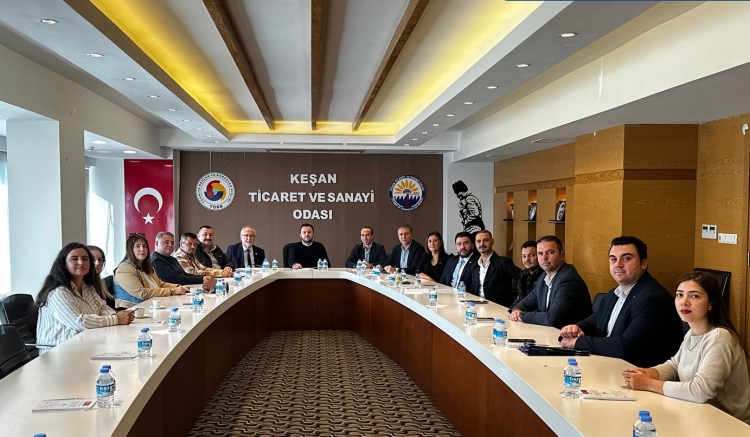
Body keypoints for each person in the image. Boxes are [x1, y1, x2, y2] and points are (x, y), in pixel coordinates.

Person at [623, 272, 750, 424]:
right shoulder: (692, 332)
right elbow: (674, 366)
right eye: (680, 295)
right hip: (699, 417)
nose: (684, 302)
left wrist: (648, 383)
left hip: (729, 425)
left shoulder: (720, 338)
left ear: (711, 304)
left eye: (694, 296)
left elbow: (701, 391)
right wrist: (649, 372)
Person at [559, 236, 684, 367]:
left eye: (626, 258)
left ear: (643, 263)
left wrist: (577, 342)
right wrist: (575, 329)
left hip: (640, 373)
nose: (618, 264)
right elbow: (592, 322)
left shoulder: (653, 298)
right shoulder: (612, 295)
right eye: (613, 259)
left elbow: (626, 347)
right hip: (610, 367)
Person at [36, 243, 133, 352]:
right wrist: (116, 319)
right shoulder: (58, 292)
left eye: (85, 259)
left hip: (86, 344)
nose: (81, 262)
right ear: (64, 264)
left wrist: (117, 316)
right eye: (74, 259)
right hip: (59, 352)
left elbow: (102, 308)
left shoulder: (87, 288)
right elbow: (78, 322)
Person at [509, 235, 591, 328]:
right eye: (540, 253)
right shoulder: (544, 276)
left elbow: (551, 319)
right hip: (550, 332)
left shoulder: (568, 279)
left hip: (568, 334)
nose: (544, 258)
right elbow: (527, 301)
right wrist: (517, 309)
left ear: (562, 255)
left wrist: (522, 315)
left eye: (550, 252)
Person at [114, 233, 188, 308]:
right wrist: (173, 291)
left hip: (152, 306)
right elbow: (142, 293)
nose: (142, 249)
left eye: (144, 246)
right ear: (130, 249)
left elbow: (160, 284)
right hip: (133, 310)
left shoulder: (147, 266)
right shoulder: (124, 269)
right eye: (138, 246)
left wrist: (179, 287)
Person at [469, 230, 521, 307]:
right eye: (478, 241)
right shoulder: (475, 265)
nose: (482, 244)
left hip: (498, 307)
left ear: (492, 242)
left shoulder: (504, 263)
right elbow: (473, 290)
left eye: (486, 240)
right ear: (475, 244)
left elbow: (523, 277)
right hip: (477, 305)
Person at [151, 231, 217, 290]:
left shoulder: (172, 259)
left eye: (172, 242)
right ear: (157, 243)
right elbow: (173, 279)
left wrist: (203, 277)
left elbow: (184, 274)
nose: (170, 245)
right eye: (166, 242)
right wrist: (201, 279)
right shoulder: (156, 260)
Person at [510, 240, 544, 309]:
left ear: (539, 255)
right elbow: (519, 300)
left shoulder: (545, 276)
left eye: (531, 255)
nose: (527, 259)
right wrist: (510, 310)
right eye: (524, 256)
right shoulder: (523, 275)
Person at [87, 245, 116, 310]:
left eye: (100, 259)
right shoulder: (82, 284)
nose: (97, 263)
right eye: (92, 259)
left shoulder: (99, 282)